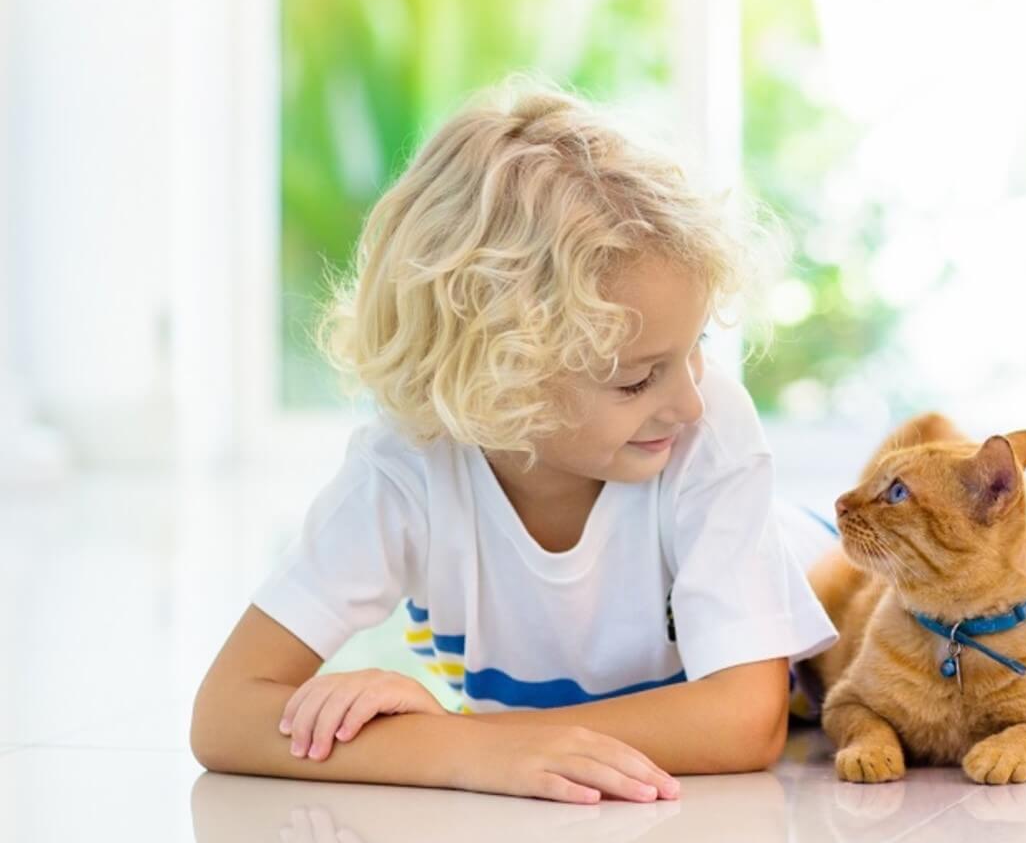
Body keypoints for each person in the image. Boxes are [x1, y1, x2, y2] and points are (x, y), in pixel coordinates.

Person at [190, 76, 841, 804]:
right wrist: (460, 750)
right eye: (635, 381)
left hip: (846, 589)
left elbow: (745, 723)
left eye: (694, 350)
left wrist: (463, 740)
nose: (686, 400)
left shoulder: (709, 428)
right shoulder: (407, 470)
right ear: (497, 380)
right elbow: (224, 715)